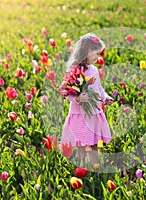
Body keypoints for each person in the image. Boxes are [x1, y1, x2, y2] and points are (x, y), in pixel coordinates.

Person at [59, 33, 114, 166]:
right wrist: (78, 98)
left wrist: (105, 97)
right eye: (95, 53)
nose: (97, 57)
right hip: (80, 115)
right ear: (87, 52)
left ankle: (95, 165)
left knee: (94, 142)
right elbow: (64, 91)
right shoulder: (74, 71)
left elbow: (98, 89)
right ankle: (82, 165)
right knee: (81, 143)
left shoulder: (94, 70)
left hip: (94, 113)